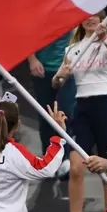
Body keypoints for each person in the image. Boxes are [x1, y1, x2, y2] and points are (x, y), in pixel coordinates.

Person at [52, 11, 107, 212]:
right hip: (82, 109)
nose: (91, 19)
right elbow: (58, 82)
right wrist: (59, 76)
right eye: (86, 16)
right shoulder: (72, 49)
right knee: (76, 167)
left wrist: (105, 38)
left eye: (96, 15)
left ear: (103, 19)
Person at [28, 29, 76, 179]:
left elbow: (77, 37)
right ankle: (48, 158)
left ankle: (65, 157)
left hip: (67, 71)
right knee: (46, 115)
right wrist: (32, 60)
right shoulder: (39, 12)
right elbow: (27, 35)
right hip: (43, 70)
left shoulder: (73, 10)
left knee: (65, 112)